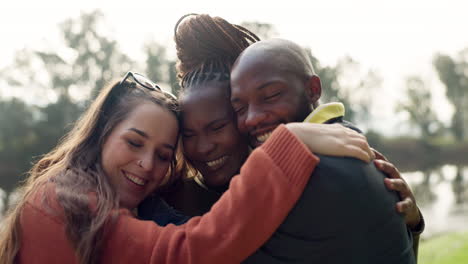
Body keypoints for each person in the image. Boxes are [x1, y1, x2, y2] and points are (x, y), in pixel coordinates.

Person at [0, 71, 374, 264]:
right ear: (101, 134)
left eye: (164, 155)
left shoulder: (130, 204)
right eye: (134, 142)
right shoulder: (65, 204)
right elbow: (187, 251)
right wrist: (283, 146)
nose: (147, 165)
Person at [230, 38, 423, 263]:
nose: (252, 118)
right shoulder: (348, 136)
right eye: (239, 108)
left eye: (271, 96)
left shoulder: (312, 172)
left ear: (313, 90)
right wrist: (415, 224)